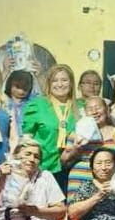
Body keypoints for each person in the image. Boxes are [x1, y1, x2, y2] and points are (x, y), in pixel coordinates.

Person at [62, 96, 115, 198]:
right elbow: (64, 163)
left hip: (110, 184)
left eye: (98, 108)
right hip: (79, 179)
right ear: (85, 113)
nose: (94, 112)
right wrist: (74, 149)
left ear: (107, 110)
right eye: (90, 109)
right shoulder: (77, 134)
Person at [22, 64, 78, 192]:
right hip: (42, 168)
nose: (60, 84)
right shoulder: (37, 105)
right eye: (55, 80)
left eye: (64, 80)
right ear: (49, 83)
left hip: (71, 169)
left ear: (71, 83)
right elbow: (26, 139)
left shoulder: (80, 107)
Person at [4, 70, 35, 146]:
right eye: (18, 87)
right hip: (6, 143)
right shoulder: (3, 101)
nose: (21, 91)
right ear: (10, 84)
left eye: (25, 89)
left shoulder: (33, 103)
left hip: (26, 143)